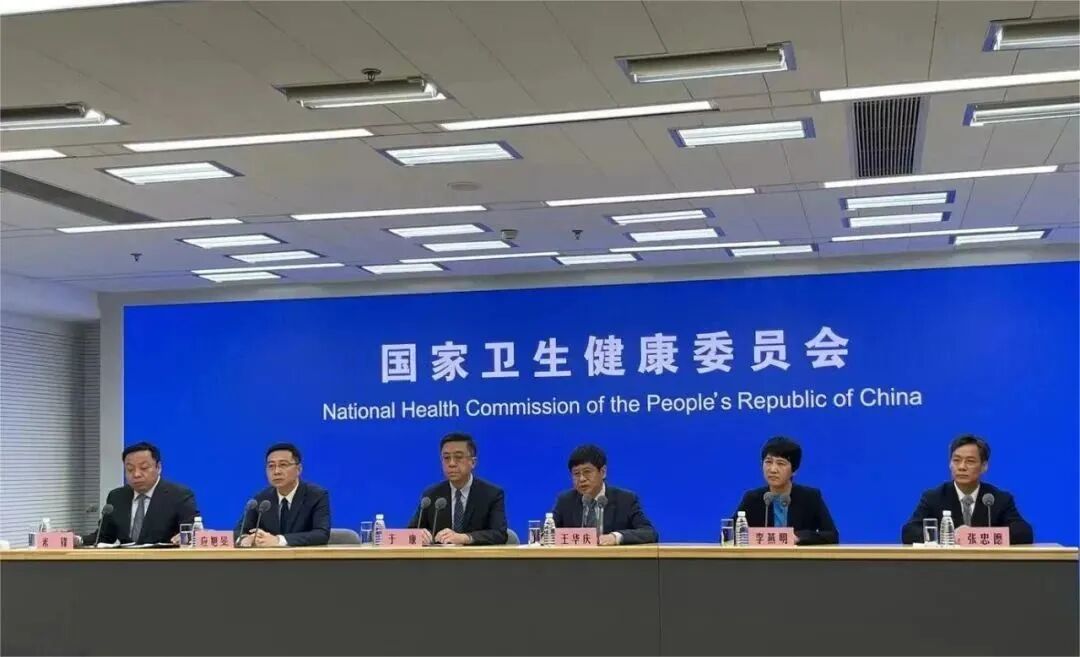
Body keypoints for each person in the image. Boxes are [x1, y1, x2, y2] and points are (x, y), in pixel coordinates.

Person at [901, 435, 1033, 545]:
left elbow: (1024, 533)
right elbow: (909, 532)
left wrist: (972, 535)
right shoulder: (934, 497)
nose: (962, 467)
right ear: (950, 464)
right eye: (956, 460)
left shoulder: (998, 499)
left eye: (970, 461)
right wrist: (951, 537)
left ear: (984, 466)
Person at [80, 441, 197, 546]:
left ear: (158, 467)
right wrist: (78, 540)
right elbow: (104, 537)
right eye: (130, 469)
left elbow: (192, 530)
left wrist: (188, 537)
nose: (136, 474)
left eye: (144, 468)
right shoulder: (117, 497)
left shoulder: (179, 495)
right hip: (126, 562)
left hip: (165, 561)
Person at [733, 436, 839, 545]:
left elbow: (832, 535)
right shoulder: (752, 498)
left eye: (781, 463)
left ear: (794, 470)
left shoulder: (810, 497)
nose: (773, 469)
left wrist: (798, 537)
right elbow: (731, 535)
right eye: (768, 462)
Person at [409, 432, 507, 545]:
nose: (451, 464)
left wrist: (465, 538)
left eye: (458, 457)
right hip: (440, 556)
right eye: (446, 458)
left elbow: (499, 534)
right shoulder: (431, 495)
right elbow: (410, 532)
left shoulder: (492, 494)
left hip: (477, 556)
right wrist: (418, 535)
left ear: (473, 462)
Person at [551, 444, 658, 545]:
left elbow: (649, 533)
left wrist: (615, 537)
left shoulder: (626, 500)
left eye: (587, 472)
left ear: (603, 472)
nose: (582, 479)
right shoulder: (565, 501)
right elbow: (546, 534)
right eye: (576, 474)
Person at [234, 443, 330, 547]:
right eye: (271, 466)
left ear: (299, 469)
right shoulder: (261, 499)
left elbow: (321, 534)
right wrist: (246, 538)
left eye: (283, 465)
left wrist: (278, 540)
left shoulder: (316, 495)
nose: (276, 471)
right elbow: (239, 531)